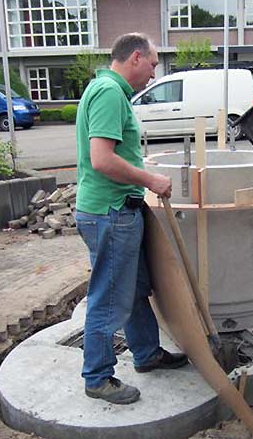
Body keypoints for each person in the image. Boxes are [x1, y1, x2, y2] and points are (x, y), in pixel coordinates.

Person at [75, 33, 188, 405]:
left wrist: (139, 166)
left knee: (135, 289)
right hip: (111, 212)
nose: (154, 74)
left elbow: (114, 153)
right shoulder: (109, 92)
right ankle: (97, 377)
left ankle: (146, 353)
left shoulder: (105, 88)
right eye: (154, 64)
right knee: (109, 298)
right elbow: (102, 160)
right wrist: (150, 179)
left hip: (116, 209)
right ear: (136, 57)